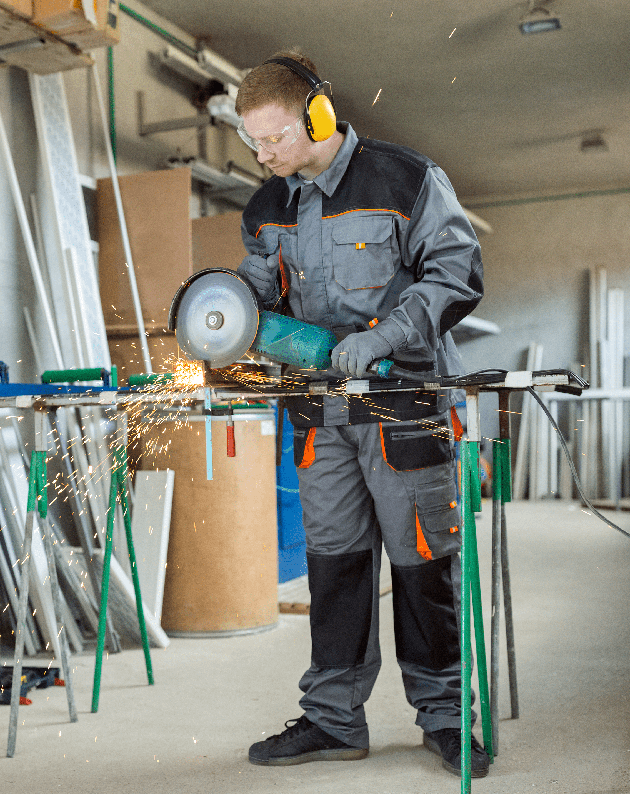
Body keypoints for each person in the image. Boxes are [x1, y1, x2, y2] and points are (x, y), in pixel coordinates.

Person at [234, 50, 488, 778]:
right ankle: (334, 717)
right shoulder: (267, 206)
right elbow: (258, 297)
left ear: (317, 114)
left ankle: (444, 716)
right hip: (321, 414)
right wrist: (221, 317)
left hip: (402, 408)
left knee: (422, 565)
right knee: (336, 567)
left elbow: (457, 271)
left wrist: (387, 333)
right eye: (254, 142)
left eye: (276, 137)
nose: (265, 154)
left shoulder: (403, 178)